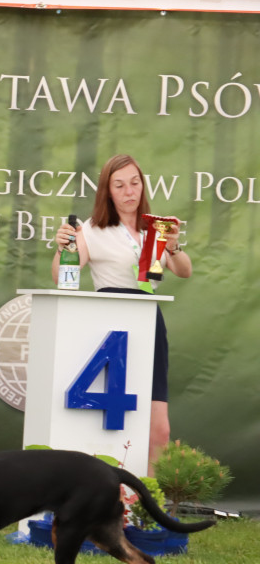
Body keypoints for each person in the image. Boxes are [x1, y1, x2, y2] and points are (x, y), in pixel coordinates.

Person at [52, 153, 192, 472]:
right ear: (108, 191)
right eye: (119, 185)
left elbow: (184, 270)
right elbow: (62, 276)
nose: (129, 191)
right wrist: (63, 246)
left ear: (142, 186)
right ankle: (107, 504)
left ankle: (149, 507)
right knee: (109, 424)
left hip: (150, 322)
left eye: (134, 183)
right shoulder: (92, 229)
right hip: (110, 326)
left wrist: (173, 245)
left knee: (159, 428)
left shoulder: (154, 228)